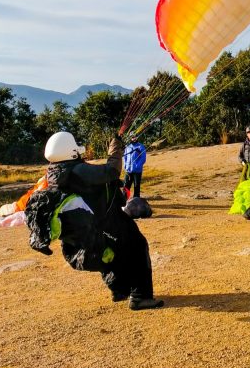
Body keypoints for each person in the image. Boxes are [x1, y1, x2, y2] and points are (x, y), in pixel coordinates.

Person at [25, 132, 163, 311]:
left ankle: (119, 290)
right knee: (136, 246)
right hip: (106, 221)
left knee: (115, 252)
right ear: (71, 150)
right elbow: (111, 171)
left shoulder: (54, 172)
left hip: (93, 224)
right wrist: (115, 149)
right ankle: (140, 297)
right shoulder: (76, 170)